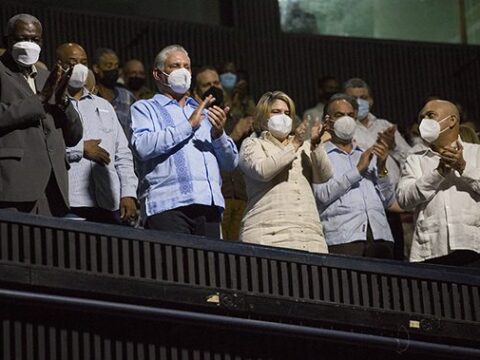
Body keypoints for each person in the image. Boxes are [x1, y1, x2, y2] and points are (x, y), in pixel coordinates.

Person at [130, 45, 238, 238]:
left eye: (186, 67)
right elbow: (142, 147)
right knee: (177, 267)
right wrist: (188, 126)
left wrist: (219, 134)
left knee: (210, 268)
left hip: (208, 205)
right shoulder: (145, 108)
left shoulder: (204, 112)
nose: (183, 71)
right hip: (167, 205)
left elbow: (231, 163)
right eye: (175, 66)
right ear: (157, 74)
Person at [0, 14, 82, 216]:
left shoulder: (49, 76)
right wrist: (39, 101)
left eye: (35, 40)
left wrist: (63, 103)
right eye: (22, 38)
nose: (29, 44)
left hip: (53, 187)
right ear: (6, 41)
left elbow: (74, 136)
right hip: (14, 185)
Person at [239, 91, 332, 253]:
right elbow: (262, 171)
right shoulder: (252, 144)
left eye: (287, 113)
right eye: (276, 112)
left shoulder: (305, 147)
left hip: (309, 237)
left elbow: (324, 176)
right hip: (268, 236)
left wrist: (316, 145)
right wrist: (294, 144)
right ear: (263, 116)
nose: (283, 117)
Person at [56, 43, 138, 225]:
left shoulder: (104, 106)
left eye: (83, 62)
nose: (78, 67)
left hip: (109, 202)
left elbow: (123, 154)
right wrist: (79, 149)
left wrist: (128, 193)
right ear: (59, 65)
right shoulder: (51, 106)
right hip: (71, 201)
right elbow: (43, 149)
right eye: (72, 62)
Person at [396, 99, 480, 267]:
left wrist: (462, 167)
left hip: (473, 245)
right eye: (421, 118)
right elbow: (404, 199)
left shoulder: (476, 152)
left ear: (452, 121)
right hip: (431, 249)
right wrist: (438, 173)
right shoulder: (415, 159)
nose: (424, 121)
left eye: (430, 115)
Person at [314, 94, 395, 258]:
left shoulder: (366, 154)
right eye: (339, 115)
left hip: (381, 237)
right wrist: (357, 171)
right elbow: (321, 196)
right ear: (327, 121)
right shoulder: (319, 154)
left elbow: (388, 200)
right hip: (343, 239)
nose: (346, 120)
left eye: (350, 115)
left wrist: (381, 169)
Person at [343, 77, 410, 259]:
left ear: (371, 100)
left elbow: (410, 159)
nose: (359, 102)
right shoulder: (344, 129)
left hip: (390, 205)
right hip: (362, 205)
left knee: (396, 259)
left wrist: (394, 145)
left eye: (363, 97)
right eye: (353, 98)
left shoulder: (385, 126)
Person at [193, 65, 253, 240]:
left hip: (242, 195)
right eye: (206, 85)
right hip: (218, 197)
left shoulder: (235, 117)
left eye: (216, 83)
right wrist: (234, 135)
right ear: (197, 92)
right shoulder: (196, 120)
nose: (213, 87)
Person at [92, 48, 136, 140]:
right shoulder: (91, 97)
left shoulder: (127, 96)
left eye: (116, 66)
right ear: (96, 68)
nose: (114, 70)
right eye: (109, 66)